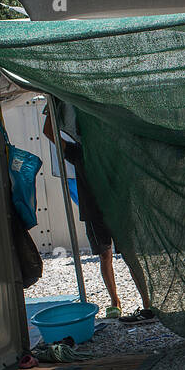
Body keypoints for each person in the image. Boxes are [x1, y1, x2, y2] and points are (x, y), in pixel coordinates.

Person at [42, 108, 155, 323]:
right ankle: (115, 302)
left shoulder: (115, 151)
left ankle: (147, 303)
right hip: (95, 213)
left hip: (118, 211)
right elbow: (49, 133)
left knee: (130, 255)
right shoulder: (79, 152)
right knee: (105, 256)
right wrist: (51, 109)